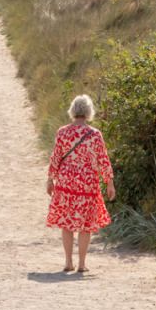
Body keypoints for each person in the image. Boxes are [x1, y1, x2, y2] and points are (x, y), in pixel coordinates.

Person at [45, 95, 114, 274]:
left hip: (66, 182)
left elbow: (56, 157)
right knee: (86, 224)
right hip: (88, 183)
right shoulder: (95, 134)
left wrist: (50, 179)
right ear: (89, 112)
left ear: (73, 111)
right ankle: (82, 264)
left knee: (66, 223)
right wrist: (109, 183)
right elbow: (103, 160)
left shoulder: (63, 132)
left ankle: (68, 262)